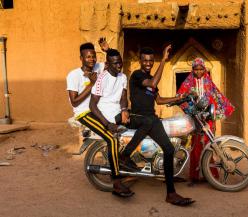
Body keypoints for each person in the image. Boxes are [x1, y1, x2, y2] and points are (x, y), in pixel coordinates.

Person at [121, 45, 195, 206]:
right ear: (140, 61)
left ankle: (171, 193)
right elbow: (153, 83)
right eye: (145, 60)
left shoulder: (150, 79)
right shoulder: (137, 75)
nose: (148, 63)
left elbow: (159, 100)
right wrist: (163, 60)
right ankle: (125, 155)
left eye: (150, 60)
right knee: (149, 120)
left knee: (169, 149)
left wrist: (178, 98)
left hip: (150, 119)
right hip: (137, 117)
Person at [67, 42, 133, 197]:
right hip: (85, 113)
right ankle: (116, 182)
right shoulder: (73, 75)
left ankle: (128, 163)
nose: (92, 59)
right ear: (81, 58)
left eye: (94, 56)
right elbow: (74, 102)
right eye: (88, 57)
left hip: (101, 110)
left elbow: (113, 62)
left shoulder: (98, 68)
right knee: (111, 139)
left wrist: (107, 49)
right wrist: (91, 84)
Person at [177, 57, 234, 185]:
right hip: (195, 119)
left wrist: (214, 113)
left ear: (204, 69)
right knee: (195, 147)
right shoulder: (188, 82)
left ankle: (211, 175)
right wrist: (189, 108)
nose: (198, 71)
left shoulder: (209, 83)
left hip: (208, 119)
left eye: (201, 69)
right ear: (192, 70)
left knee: (209, 146)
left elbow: (216, 97)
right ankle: (194, 177)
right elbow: (180, 96)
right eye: (196, 69)